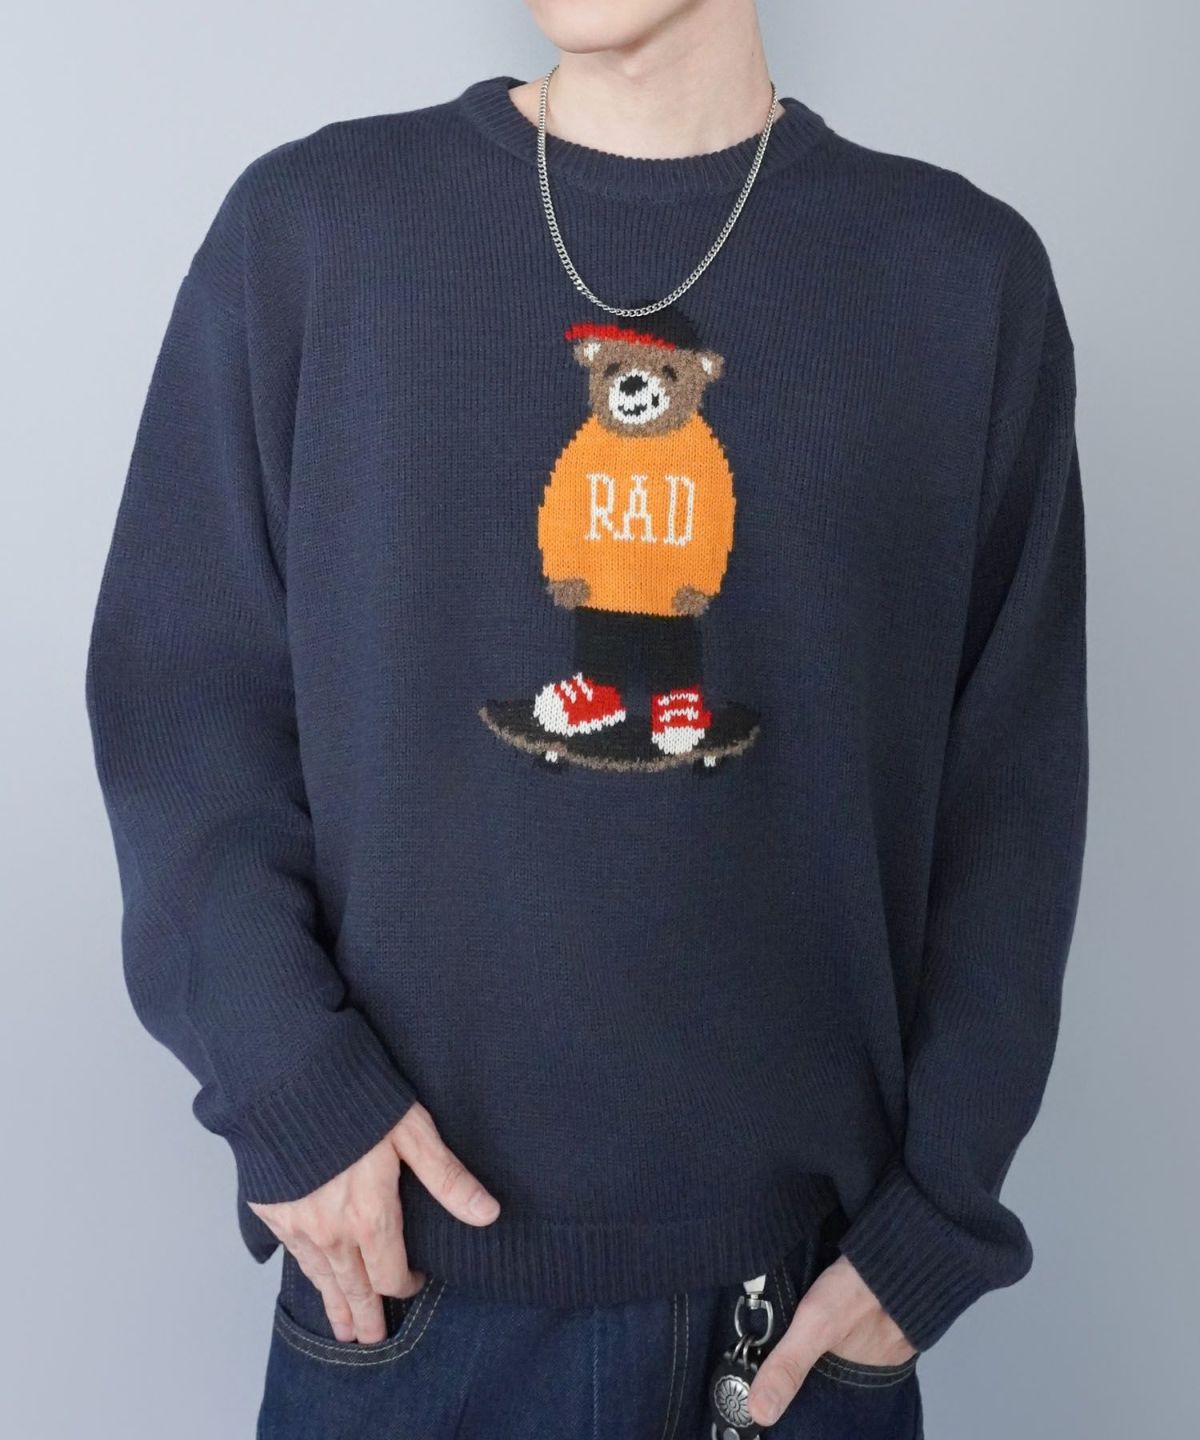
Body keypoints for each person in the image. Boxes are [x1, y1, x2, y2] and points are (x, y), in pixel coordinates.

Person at [84, 0, 1088, 1435]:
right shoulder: (313, 233)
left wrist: (934, 1227)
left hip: (800, 1324)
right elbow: (183, 710)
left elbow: (1014, 806)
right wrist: (290, 1089)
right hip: (410, 1305)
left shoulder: (959, 282)